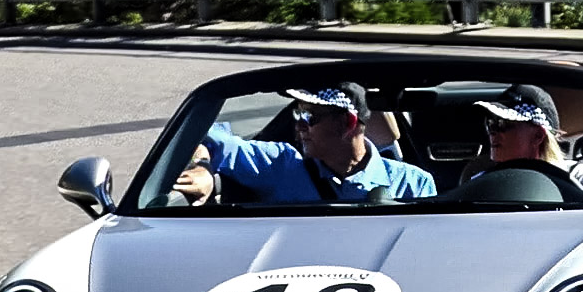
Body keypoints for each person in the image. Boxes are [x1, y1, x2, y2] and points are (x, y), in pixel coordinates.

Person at [180, 82, 436, 205]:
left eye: (309, 116)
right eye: (297, 114)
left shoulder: (414, 184)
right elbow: (201, 133)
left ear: (347, 124)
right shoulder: (280, 165)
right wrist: (203, 166)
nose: (299, 125)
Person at [472, 84, 583, 191]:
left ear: (538, 136)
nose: (493, 132)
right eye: (490, 123)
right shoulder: (480, 182)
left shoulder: (579, 175)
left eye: (503, 124)